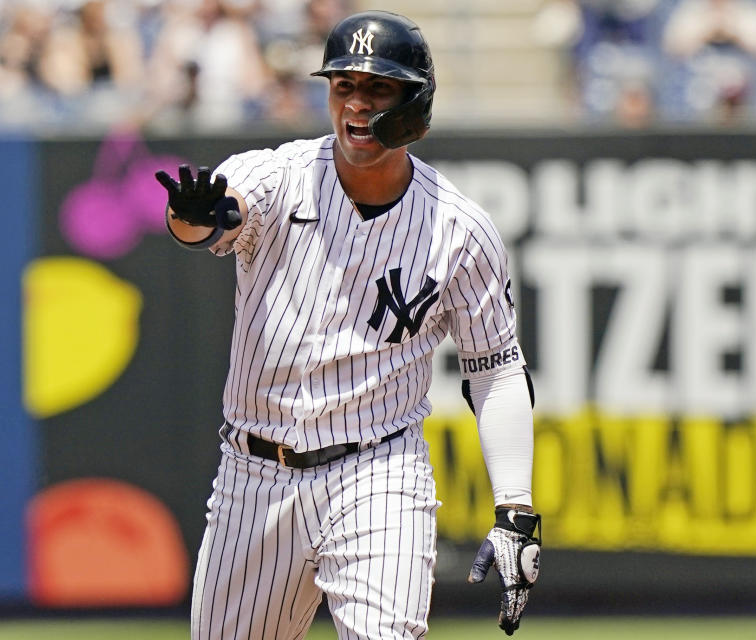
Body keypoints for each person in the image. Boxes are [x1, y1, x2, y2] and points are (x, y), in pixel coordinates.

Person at [154, 10, 540, 639]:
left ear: (416, 102)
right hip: (256, 474)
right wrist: (197, 216)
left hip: (378, 471)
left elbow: (496, 370)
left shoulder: (459, 229)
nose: (356, 104)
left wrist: (516, 507)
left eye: (378, 88)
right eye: (343, 86)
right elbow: (217, 218)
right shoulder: (280, 175)